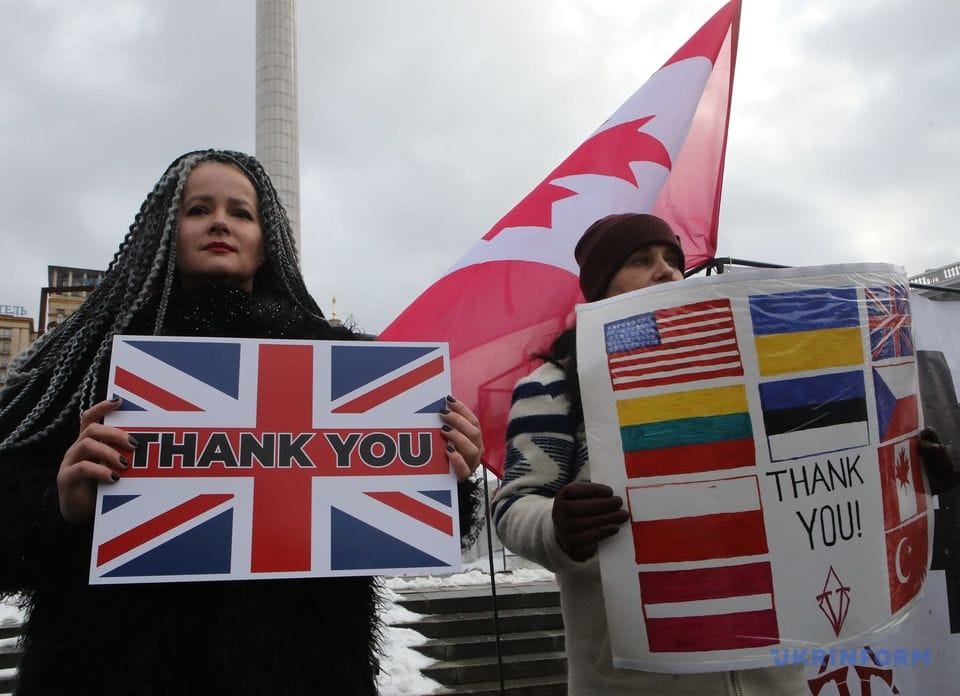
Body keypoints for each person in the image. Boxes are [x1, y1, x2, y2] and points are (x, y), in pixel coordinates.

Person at [0, 149, 484, 695]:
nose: (219, 223)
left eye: (241, 212)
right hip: (107, 670)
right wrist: (60, 509)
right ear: (164, 232)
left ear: (265, 241)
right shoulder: (83, 364)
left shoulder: (342, 367)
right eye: (197, 209)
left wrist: (449, 472)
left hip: (301, 672)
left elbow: (408, 521)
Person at [492, 212, 957, 695]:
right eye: (640, 260)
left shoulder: (750, 365)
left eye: (672, 259)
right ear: (600, 288)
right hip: (635, 680)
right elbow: (513, 506)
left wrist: (909, 476)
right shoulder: (553, 387)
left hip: (773, 676)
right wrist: (557, 527)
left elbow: (820, 478)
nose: (666, 271)